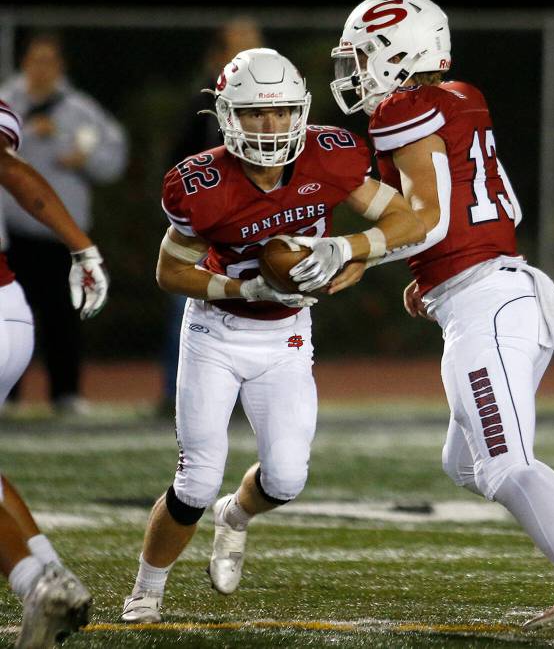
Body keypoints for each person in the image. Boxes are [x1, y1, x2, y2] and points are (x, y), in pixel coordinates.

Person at [309, 0, 554, 630]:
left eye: (361, 55)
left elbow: (426, 215)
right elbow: (469, 215)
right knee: (463, 463)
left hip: (486, 304)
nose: (354, 71)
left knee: (503, 462)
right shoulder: (458, 98)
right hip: (493, 292)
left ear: (397, 53)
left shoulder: (401, 109)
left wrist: (350, 247)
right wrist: (417, 271)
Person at [119, 48, 424, 623]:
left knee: (287, 478)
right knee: (196, 478)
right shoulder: (202, 182)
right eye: (257, 114)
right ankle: (147, 589)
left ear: (301, 111)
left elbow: (407, 218)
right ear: (228, 116)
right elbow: (171, 271)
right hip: (215, 334)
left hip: (287, 338)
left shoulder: (329, 156)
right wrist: (248, 291)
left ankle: (236, 514)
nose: (272, 125)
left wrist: (351, 249)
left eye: (283, 112)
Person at [0, 99, 109, 646]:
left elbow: (10, 168)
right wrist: (82, 247)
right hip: (9, 309)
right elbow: (11, 167)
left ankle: (34, 583)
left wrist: (82, 246)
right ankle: (53, 575)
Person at [0, 31, 127, 416]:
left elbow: (112, 159)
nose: (42, 69)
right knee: (10, 323)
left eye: (49, 61)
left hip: (56, 234)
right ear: (24, 64)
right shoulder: (12, 99)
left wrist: (80, 156)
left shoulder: (80, 110)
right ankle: (11, 396)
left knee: (62, 318)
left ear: (61, 67)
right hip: (12, 232)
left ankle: (66, 392)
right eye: (35, 60)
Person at [156, 18, 266, 416]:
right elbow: (179, 164)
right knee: (190, 302)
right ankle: (178, 391)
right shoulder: (206, 102)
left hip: (265, 220)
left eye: (253, 43)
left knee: (273, 297)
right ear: (220, 56)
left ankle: (255, 395)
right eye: (239, 46)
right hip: (214, 224)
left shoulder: (275, 96)